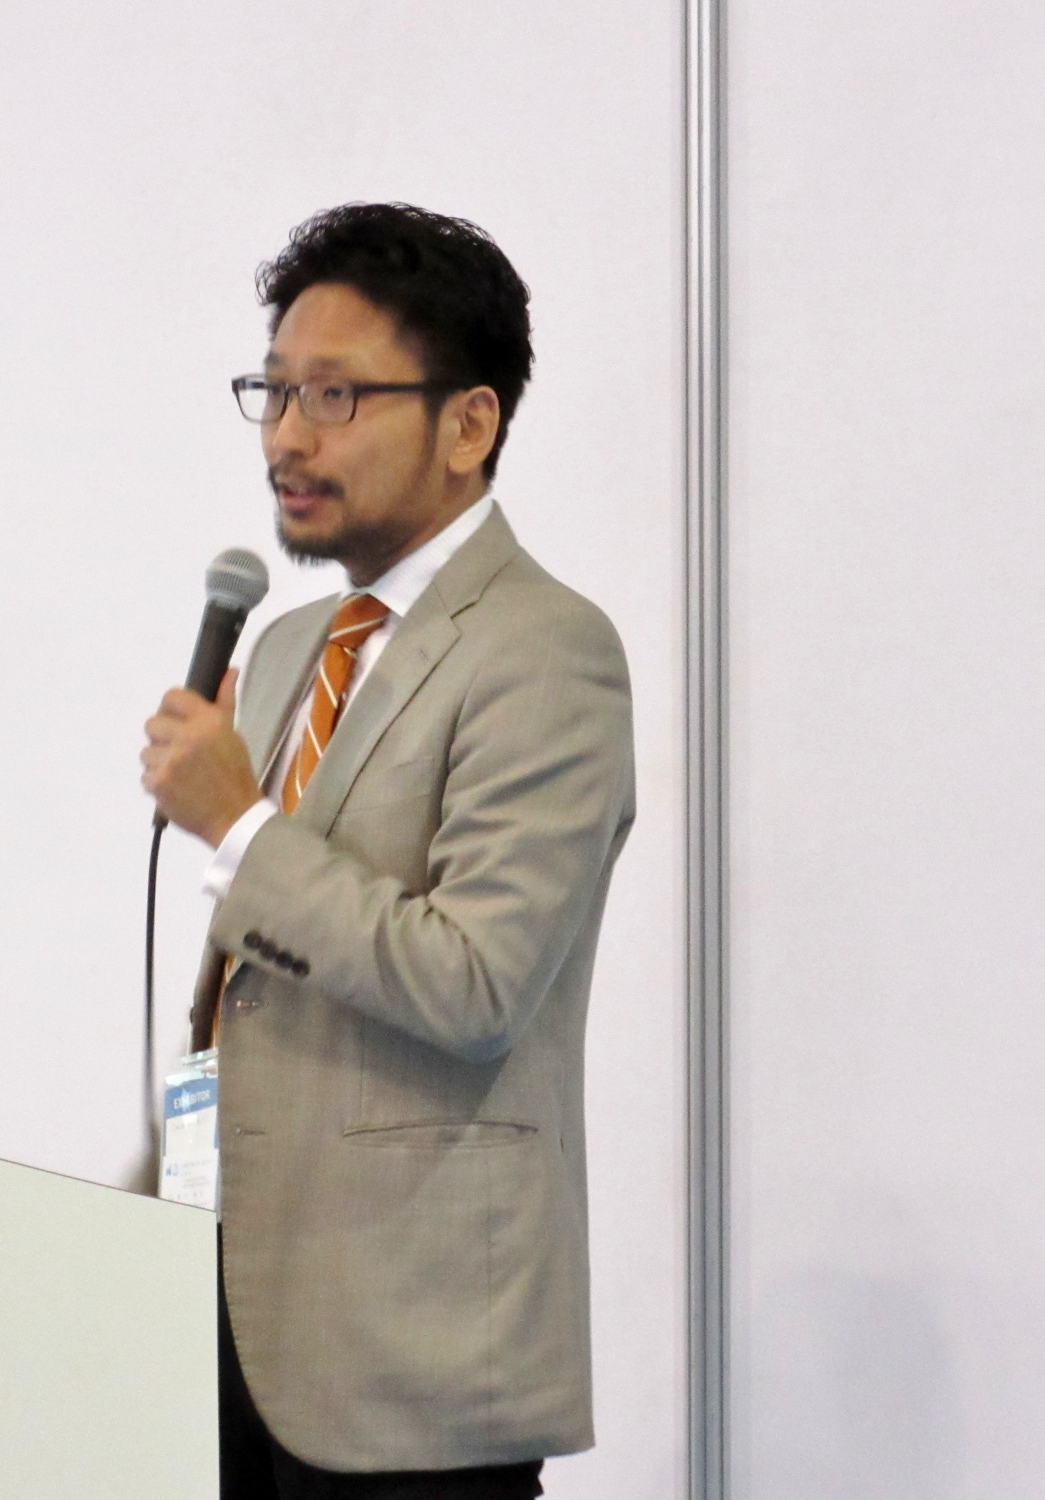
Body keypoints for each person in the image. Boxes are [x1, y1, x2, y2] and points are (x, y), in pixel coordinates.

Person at [141, 203, 636, 1500]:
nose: (287, 437)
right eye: (274, 391)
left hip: (417, 1368)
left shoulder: (547, 650)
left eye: (338, 395)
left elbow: (476, 984)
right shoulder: (290, 649)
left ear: (468, 426)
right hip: (233, 1331)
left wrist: (240, 825)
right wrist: (156, 1213)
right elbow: (249, 999)